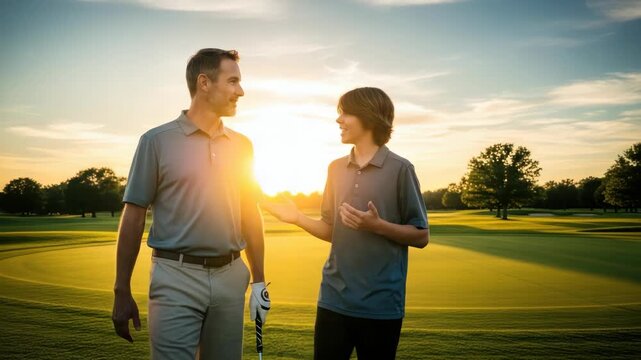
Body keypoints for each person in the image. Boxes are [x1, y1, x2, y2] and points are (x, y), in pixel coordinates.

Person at [111, 48, 270, 360]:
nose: (241, 91)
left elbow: (250, 213)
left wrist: (260, 279)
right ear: (204, 83)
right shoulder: (156, 141)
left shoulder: (243, 145)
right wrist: (121, 290)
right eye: (233, 81)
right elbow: (133, 217)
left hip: (230, 276)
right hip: (175, 276)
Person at [263, 87, 429, 359]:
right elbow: (331, 231)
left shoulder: (401, 169)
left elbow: (421, 236)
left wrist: (377, 226)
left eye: (344, 113)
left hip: (381, 305)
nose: (338, 120)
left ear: (368, 115)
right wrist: (298, 219)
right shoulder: (335, 168)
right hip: (333, 300)